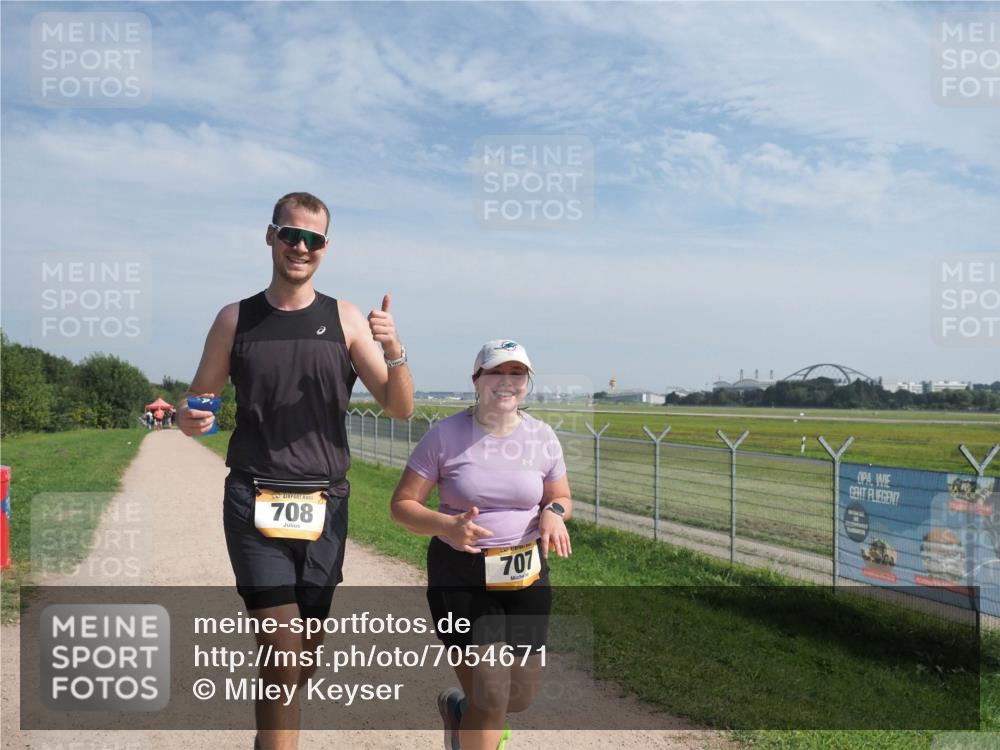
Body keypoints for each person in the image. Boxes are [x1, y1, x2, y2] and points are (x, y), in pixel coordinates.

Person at [177, 191, 413, 750]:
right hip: (253, 499)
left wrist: (395, 349)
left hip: (324, 504)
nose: (300, 247)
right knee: (282, 653)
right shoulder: (235, 319)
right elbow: (199, 403)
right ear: (270, 237)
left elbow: (399, 407)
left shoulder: (347, 318)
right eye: (291, 234)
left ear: (325, 248)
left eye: (313, 239)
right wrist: (191, 419)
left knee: (301, 661)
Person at [390, 339, 572, 750]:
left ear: (527, 383)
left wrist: (553, 513)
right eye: (496, 373)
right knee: (490, 695)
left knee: (518, 699)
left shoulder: (542, 436)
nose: (506, 383)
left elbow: (561, 496)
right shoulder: (445, 436)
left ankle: (459, 714)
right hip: (463, 573)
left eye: (516, 374)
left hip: (526, 573)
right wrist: (445, 525)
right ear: (477, 380)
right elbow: (401, 506)